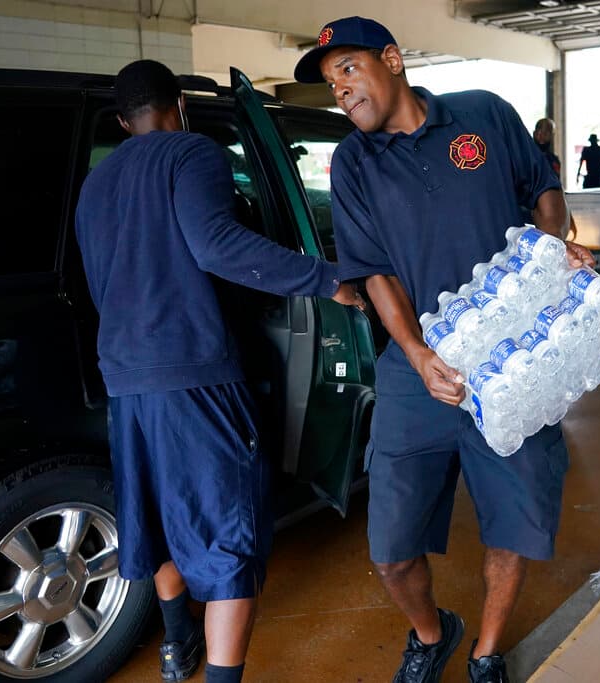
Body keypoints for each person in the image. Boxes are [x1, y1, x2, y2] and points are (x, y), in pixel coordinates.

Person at [293, 16, 594, 683]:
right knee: (391, 547)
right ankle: (433, 633)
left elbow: (543, 193)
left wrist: (551, 257)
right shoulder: (353, 163)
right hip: (415, 370)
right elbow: (375, 273)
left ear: (392, 60)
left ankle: (486, 652)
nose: (339, 89)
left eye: (348, 68)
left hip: (511, 360)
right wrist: (419, 353)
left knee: (512, 525)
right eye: (329, 80)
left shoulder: (482, 115)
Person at [75, 59, 362, 683]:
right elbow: (218, 246)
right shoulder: (192, 153)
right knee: (228, 535)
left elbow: (104, 280)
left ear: (124, 122)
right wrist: (326, 279)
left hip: (126, 378)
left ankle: (179, 646)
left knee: (158, 519)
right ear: (177, 104)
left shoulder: (95, 185)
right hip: (196, 377)